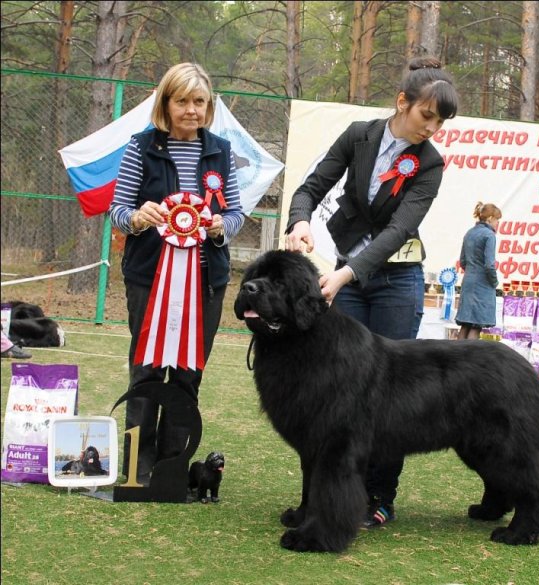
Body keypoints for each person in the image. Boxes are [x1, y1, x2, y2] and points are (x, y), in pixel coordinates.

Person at [285, 56, 459, 527]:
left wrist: (345, 275)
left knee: (388, 396)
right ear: (402, 102)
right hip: (347, 280)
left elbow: (399, 229)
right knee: (335, 392)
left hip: (395, 283)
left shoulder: (430, 164)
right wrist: (300, 220)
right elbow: (310, 187)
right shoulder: (359, 135)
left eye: (441, 122)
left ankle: (379, 497)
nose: (433, 128)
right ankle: (324, 496)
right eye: (428, 116)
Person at [108, 62, 244, 485]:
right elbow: (118, 210)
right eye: (182, 101)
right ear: (166, 103)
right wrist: (139, 217)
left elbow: (236, 212)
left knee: (188, 372)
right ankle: (137, 466)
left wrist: (222, 225)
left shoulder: (221, 150)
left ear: (208, 106)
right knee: (146, 369)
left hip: (206, 281)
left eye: (199, 102)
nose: (191, 110)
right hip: (150, 278)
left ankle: (172, 464)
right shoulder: (141, 146)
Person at [455, 202, 502, 340]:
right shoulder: (489, 235)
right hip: (483, 284)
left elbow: (462, 261)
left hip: (468, 281)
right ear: (490, 218)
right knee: (476, 325)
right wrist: (494, 282)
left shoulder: (469, 233)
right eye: (497, 220)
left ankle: (455, 359)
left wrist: (472, 271)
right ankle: (469, 360)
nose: (498, 223)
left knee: (465, 324)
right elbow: (489, 265)